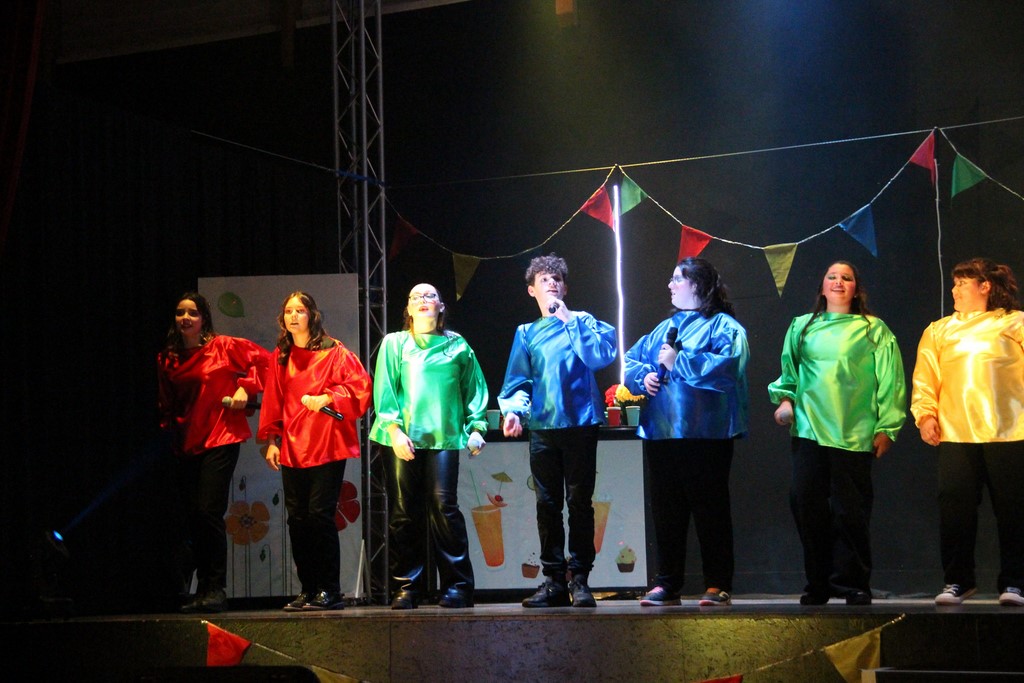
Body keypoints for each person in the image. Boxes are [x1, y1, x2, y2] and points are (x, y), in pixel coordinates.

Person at [768, 261, 906, 606]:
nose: (839, 282)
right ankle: (818, 582)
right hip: (809, 429)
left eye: (846, 278)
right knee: (806, 504)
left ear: (856, 289)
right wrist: (785, 401)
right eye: (832, 276)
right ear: (822, 286)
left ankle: (851, 583)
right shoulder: (802, 325)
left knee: (850, 511)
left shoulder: (873, 329)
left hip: (853, 431)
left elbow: (891, 380)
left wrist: (887, 427)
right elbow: (789, 373)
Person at [623, 257, 748, 607]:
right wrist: (644, 377)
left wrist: (680, 362)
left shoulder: (723, 326)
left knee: (710, 510)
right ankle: (667, 583)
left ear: (698, 285)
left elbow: (730, 369)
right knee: (667, 512)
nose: (670, 285)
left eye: (677, 278)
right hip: (663, 433)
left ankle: (717, 583)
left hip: (706, 435)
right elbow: (631, 361)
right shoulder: (664, 328)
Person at [498, 253, 617, 608]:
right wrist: (514, 412)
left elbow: (600, 356)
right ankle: (553, 581)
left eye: (557, 279)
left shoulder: (584, 321)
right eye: (544, 279)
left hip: (580, 423)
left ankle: (580, 579)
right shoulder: (527, 333)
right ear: (531, 290)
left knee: (579, 503)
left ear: (565, 288)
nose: (551, 283)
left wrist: (570, 322)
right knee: (546, 504)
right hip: (543, 428)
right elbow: (519, 381)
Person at [911, 257, 1024, 607]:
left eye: (962, 283)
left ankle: (1016, 582)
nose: (954, 290)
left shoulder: (1015, 322)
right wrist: (925, 416)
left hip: (1010, 431)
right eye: (954, 283)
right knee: (954, 508)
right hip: (956, 432)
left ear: (984, 286)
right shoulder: (939, 330)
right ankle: (958, 580)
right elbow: (925, 378)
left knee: (1014, 509)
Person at [370, 283, 488, 610]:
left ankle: (458, 586)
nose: (423, 300)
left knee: (444, 508)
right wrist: (394, 430)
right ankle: (407, 587)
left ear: (441, 306)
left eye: (430, 296)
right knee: (403, 512)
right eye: (416, 297)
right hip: (400, 437)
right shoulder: (395, 343)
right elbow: (384, 389)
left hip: (444, 437)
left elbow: (474, 389)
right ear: (408, 309)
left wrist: (476, 427)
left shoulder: (457, 345)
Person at [258, 291, 372, 611]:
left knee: (320, 516)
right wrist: (272, 440)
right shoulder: (281, 356)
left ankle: (330, 590)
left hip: (326, 444)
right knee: (297, 520)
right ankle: (308, 589)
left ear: (312, 316)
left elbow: (360, 386)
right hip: (294, 446)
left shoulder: (334, 352)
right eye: (288, 311)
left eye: (300, 310)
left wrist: (329, 397)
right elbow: (273, 400)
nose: (294, 316)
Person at [157, 292, 270, 613]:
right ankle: (201, 588)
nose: (185, 318)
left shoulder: (222, 347)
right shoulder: (168, 358)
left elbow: (265, 361)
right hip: (186, 443)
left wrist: (245, 388)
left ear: (204, 318)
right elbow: (166, 405)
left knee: (208, 511)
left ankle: (215, 588)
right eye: (180, 312)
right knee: (194, 517)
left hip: (220, 436)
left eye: (192, 312)